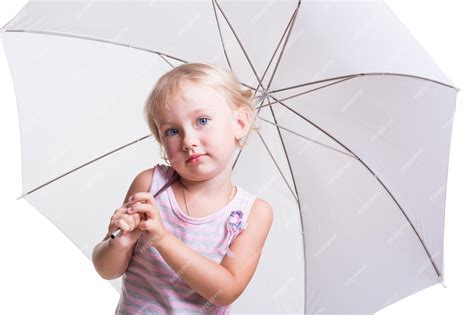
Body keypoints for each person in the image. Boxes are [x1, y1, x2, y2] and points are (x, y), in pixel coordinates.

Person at [92, 63, 273, 314]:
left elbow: (226, 291)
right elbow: (107, 269)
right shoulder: (150, 187)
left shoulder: (253, 213)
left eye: (202, 121)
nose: (188, 141)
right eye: (172, 131)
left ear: (239, 123)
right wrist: (118, 244)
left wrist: (162, 239)